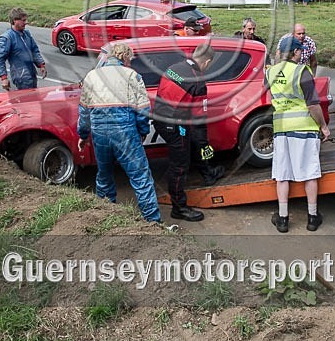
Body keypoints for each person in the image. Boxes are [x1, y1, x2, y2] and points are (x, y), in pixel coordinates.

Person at [77, 43, 161, 223]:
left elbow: (84, 111)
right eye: (130, 59)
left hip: (99, 133)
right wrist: (143, 131)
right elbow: (144, 109)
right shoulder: (132, 76)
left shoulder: (92, 76)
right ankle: (153, 222)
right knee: (140, 177)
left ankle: (105, 217)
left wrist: (83, 135)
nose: (130, 63)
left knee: (104, 175)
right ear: (124, 57)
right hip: (125, 131)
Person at [153, 43, 225, 222]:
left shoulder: (173, 68)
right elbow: (199, 121)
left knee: (187, 147)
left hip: (160, 118)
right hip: (176, 125)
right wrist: (204, 146)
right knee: (180, 165)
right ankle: (179, 208)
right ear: (207, 61)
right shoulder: (198, 81)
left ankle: (207, 172)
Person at [266, 35, 330, 233]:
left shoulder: (270, 73)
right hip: (304, 127)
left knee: (282, 174)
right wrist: (324, 126)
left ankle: (283, 219)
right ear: (294, 52)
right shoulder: (302, 71)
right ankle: (312, 217)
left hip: (281, 129)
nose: (302, 54)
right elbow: (312, 104)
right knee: (309, 172)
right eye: (300, 51)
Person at [0, 7, 47, 91]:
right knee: (25, 102)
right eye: (23, 20)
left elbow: (34, 50)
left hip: (32, 74)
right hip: (20, 77)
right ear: (15, 20)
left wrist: (41, 64)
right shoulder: (7, 38)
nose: (26, 22)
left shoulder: (27, 34)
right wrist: (3, 78)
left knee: (33, 99)